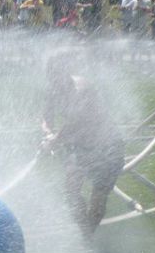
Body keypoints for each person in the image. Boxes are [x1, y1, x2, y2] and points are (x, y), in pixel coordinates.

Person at [41, 68, 125, 235]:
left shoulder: (82, 89)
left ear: (66, 75)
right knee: (71, 191)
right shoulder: (54, 89)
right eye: (52, 78)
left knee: (98, 197)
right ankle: (85, 234)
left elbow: (77, 120)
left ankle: (88, 236)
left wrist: (55, 140)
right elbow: (45, 115)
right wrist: (48, 132)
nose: (55, 82)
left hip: (107, 147)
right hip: (81, 149)